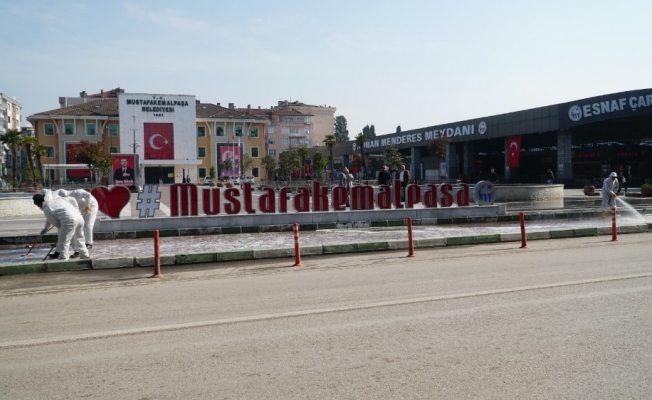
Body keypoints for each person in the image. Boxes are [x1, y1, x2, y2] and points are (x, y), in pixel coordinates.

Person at [33, 193, 89, 260]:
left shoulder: (47, 208)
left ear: (40, 203)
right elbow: (72, 199)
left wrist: (62, 230)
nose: (38, 206)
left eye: (37, 205)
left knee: (64, 241)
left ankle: (63, 258)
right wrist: (76, 210)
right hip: (79, 218)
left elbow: (55, 222)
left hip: (68, 220)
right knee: (79, 238)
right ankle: (84, 254)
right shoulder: (59, 200)